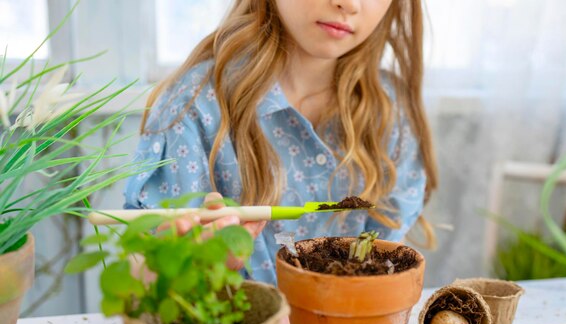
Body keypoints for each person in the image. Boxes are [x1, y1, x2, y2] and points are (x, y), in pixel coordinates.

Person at [124, 0, 438, 285]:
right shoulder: (193, 108)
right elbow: (143, 280)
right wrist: (192, 262)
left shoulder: (391, 110)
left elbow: (385, 272)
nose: (348, 4)